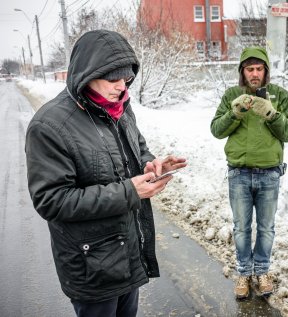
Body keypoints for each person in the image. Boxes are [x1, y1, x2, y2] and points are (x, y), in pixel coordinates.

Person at [25, 30, 187, 317]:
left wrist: (152, 165)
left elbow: (137, 149)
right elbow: (51, 200)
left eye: (126, 80)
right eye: (113, 80)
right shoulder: (49, 126)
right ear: (86, 76)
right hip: (90, 264)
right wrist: (129, 192)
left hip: (127, 251)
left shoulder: (121, 108)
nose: (121, 88)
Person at [210, 47, 288, 299]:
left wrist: (271, 114)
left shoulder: (279, 95)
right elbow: (216, 129)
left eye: (259, 69)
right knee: (241, 228)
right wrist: (235, 112)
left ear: (266, 71)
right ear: (242, 72)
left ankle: (262, 271)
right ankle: (243, 273)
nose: (255, 74)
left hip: (270, 174)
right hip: (238, 173)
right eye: (250, 69)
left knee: (267, 228)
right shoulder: (232, 95)